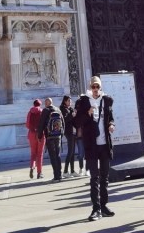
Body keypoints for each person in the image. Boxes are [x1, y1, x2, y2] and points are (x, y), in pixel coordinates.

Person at [73, 75, 115, 221]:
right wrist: (87, 113)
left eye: (97, 86)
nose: (96, 89)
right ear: (90, 87)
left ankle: (104, 206)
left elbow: (110, 117)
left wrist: (111, 125)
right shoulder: (83, 101)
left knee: (105, 177)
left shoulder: (106, 100)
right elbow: (76, 121)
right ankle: (96, 209)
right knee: (94, 177)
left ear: (100, 87)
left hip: (104, 144)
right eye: (93, 86)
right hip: (91, 145)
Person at [37, 97, 64, 182]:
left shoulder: (45, 110)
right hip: (58, 136)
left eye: (45, 103)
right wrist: (62, 134)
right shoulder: (58, 109)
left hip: (49, 136)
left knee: (52, 156)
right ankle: (60, 175)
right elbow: (63, 122)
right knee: (58, 155)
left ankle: (56, 176)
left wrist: (39, 136)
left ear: (46, 103)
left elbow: (41, 124)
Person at [25, 99, 45, 179]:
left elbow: (27, 124)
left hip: (32, 134)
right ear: (40, 104)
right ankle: (39, 173)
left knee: (33, 153)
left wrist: (32, 129)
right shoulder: (42, 112)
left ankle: (32, 166)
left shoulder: (30, 112)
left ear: (34, 104)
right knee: (40, 154)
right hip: (40, 134)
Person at [60, 95, 77, 177]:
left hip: (72, 131)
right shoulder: (63, 109)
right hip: (68, 132)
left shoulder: (69, 109)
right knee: (70, 151)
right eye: (68, 101)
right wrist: (72, 115)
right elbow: (65, 120)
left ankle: (72, 171)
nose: (70, 102)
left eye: (70, 101)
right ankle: (65, 171)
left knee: (72, 151)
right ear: (65, 101)